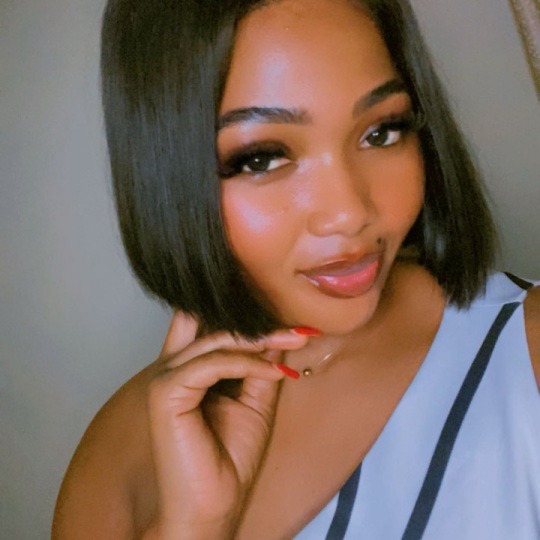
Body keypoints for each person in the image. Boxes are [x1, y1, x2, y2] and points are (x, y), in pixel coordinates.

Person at [51, 0, 540, 538]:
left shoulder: (526, 351)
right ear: (167, 175)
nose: (349, 213)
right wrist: (192, 525)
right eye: (262, 157)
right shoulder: (122, 449)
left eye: (382, 132)